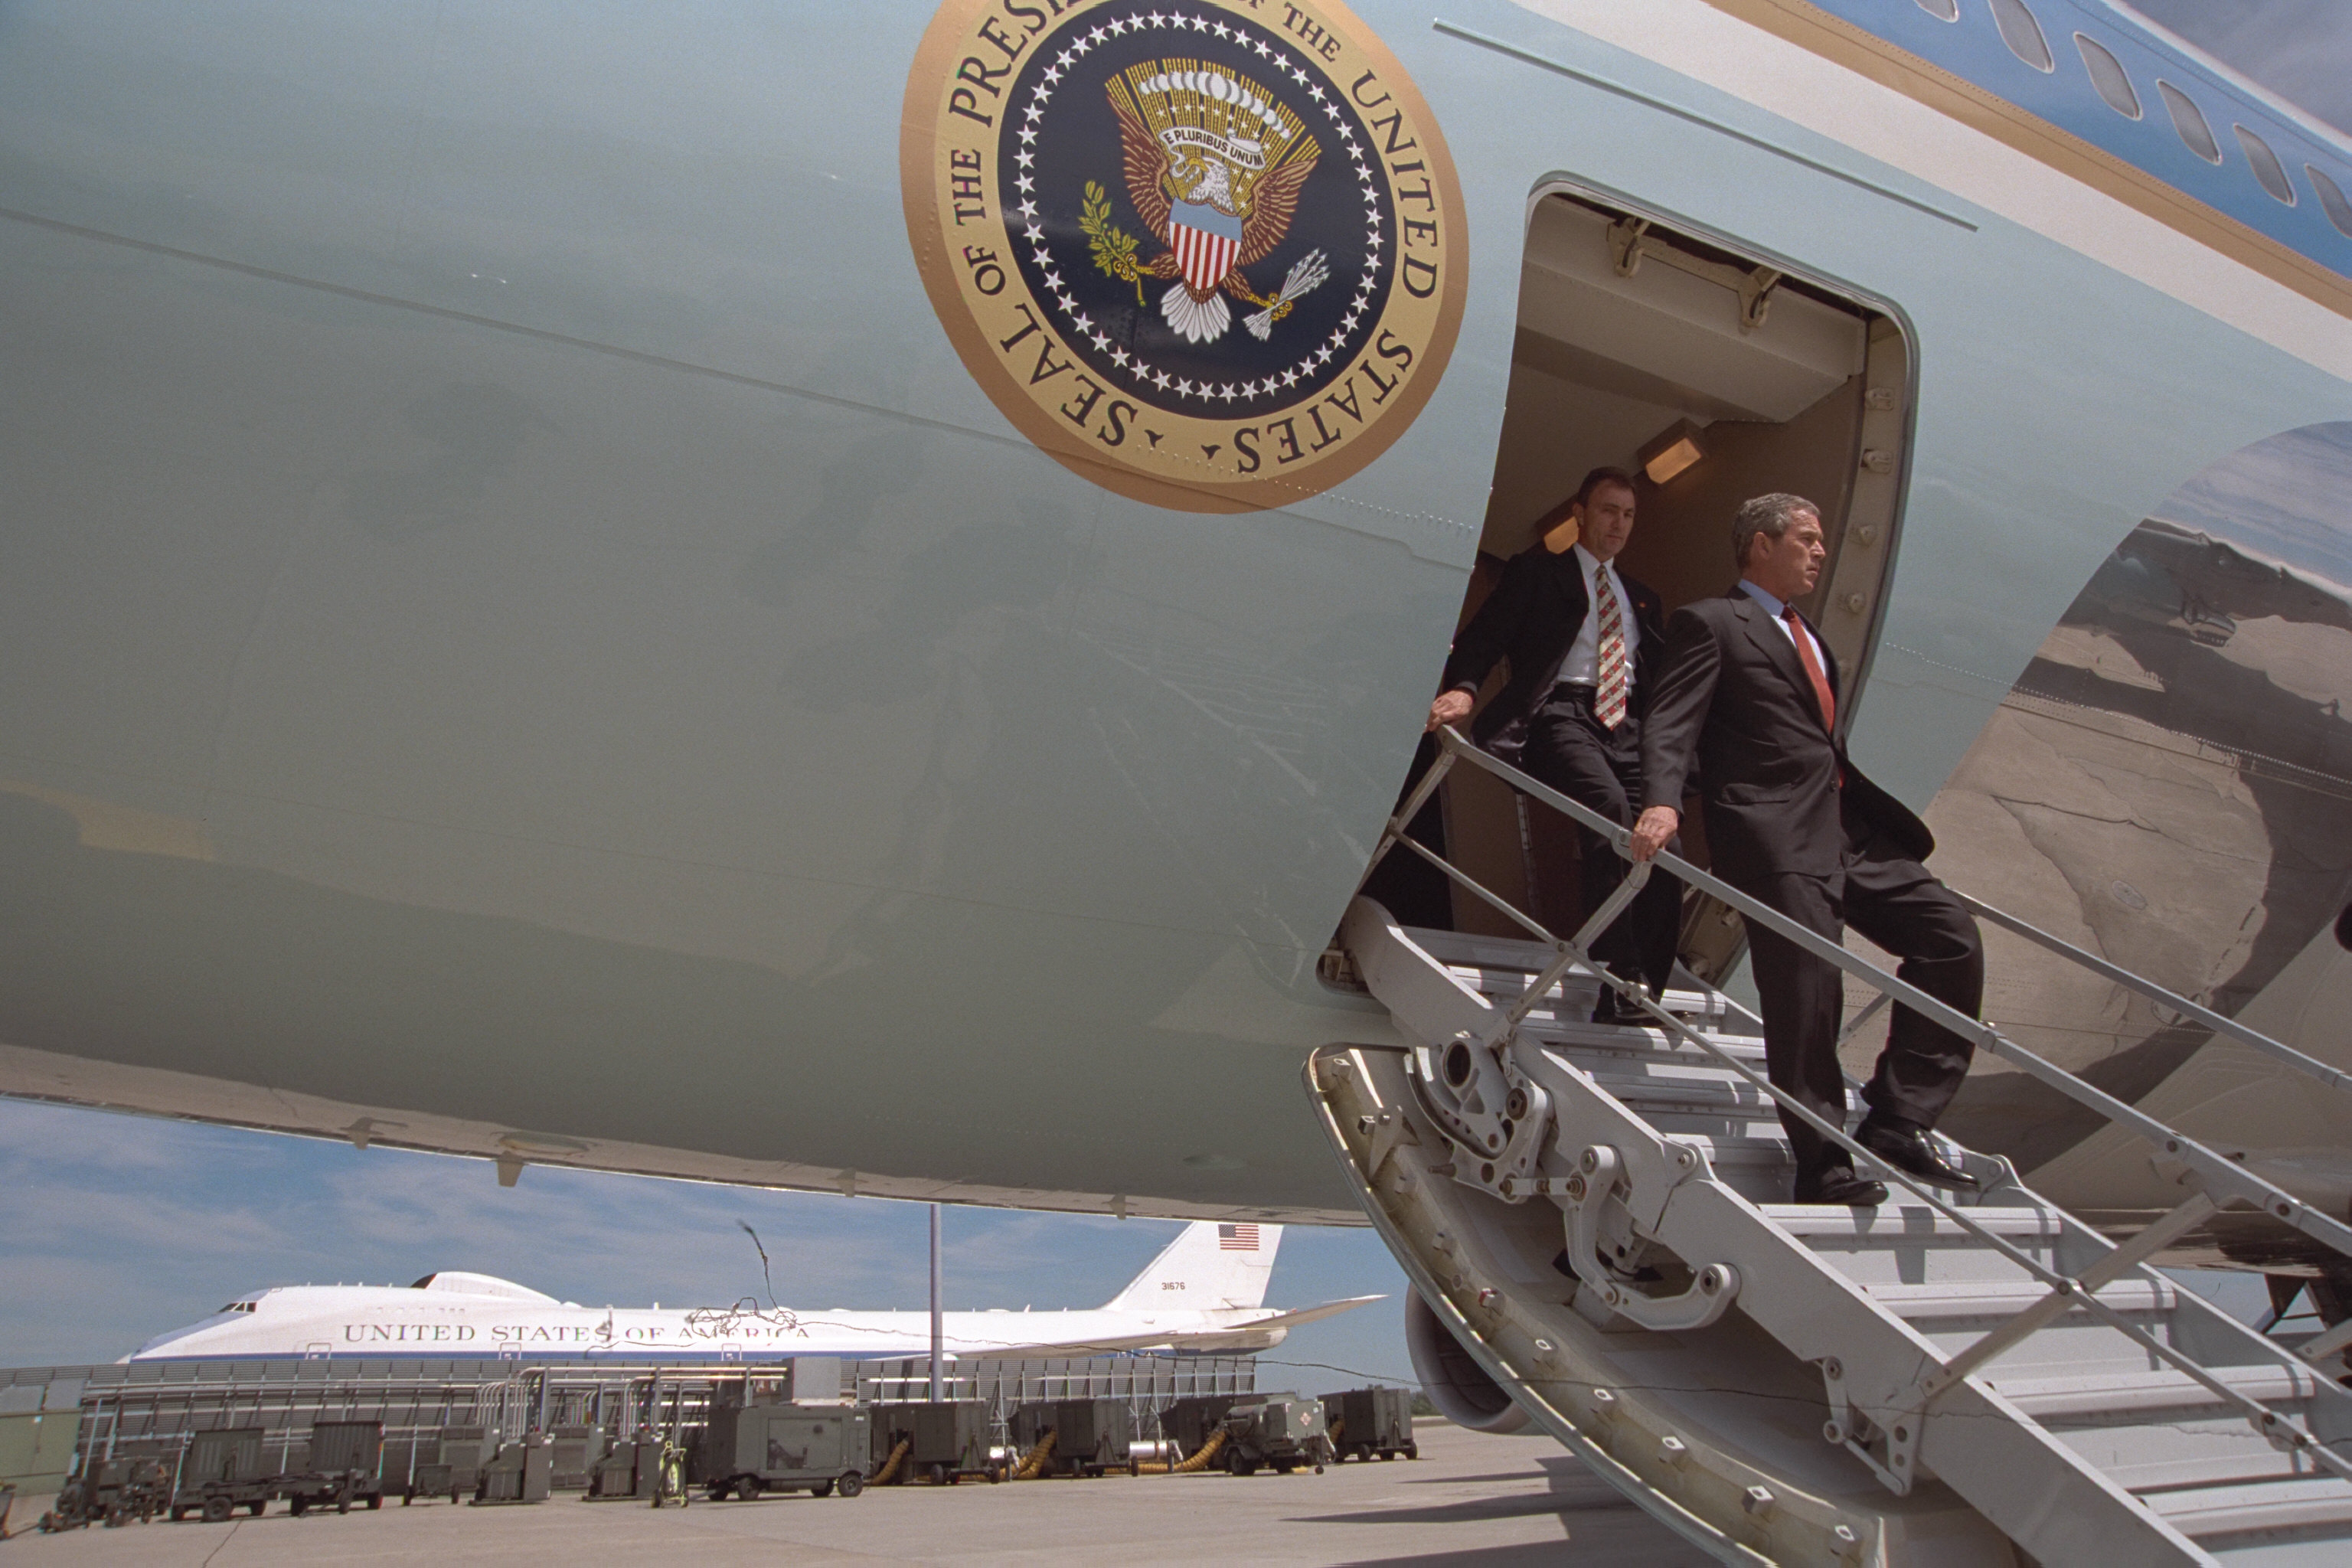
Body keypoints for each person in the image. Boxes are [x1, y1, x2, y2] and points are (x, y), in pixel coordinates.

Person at [1630, 493, 1983, 1207]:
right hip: (1773, 833)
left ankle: (1900, 1118)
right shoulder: (1713, 623)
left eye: (1822, 542)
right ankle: (1823, 1164)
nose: (1821, 552)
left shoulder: (1810, 636)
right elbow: (1671, 720)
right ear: (1761, 545)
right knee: (1808, 990)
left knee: (1951, 941)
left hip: (1849, 830)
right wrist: (1662, 799)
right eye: (1807, 539)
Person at [1426, 467, 1683, 1021]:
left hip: (1627, 727)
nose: (1619, 524)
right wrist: (1464, 690)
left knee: (1670, 851)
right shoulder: (1539, 573)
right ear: (1581, 513)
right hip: (1562, 712)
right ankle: (1617, 971)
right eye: (1609, 510)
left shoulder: (1641, 598)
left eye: (1629, 514)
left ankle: (1642, 990)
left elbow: (1659, 682)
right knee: (1610, 816)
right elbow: (1485, 636)